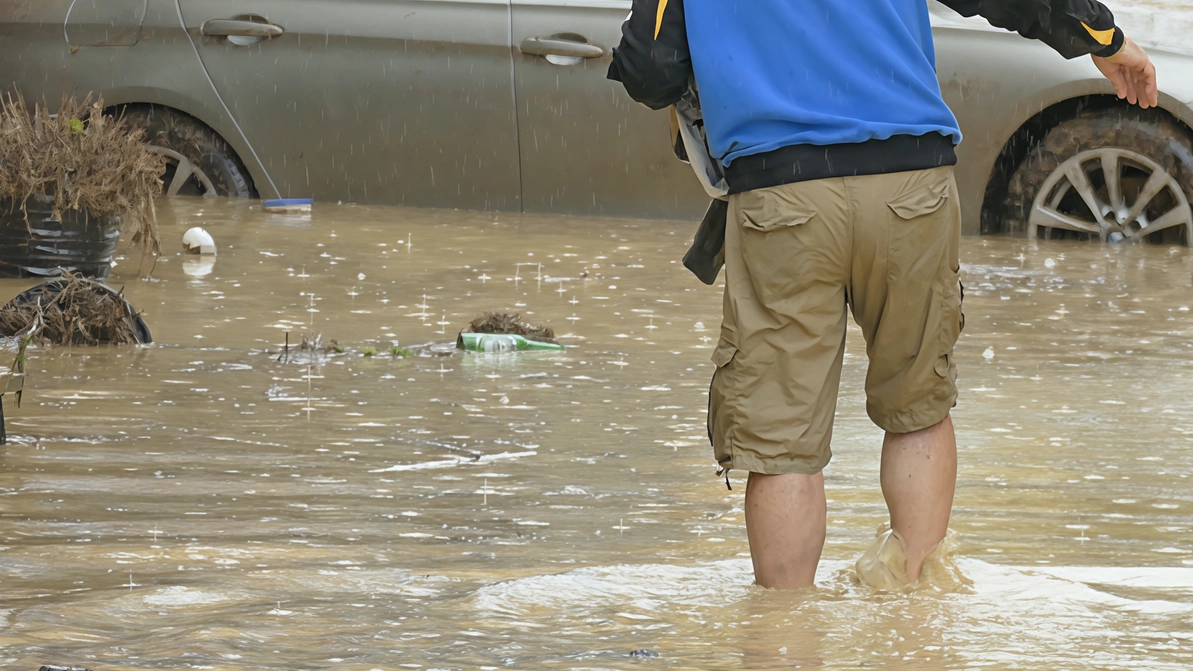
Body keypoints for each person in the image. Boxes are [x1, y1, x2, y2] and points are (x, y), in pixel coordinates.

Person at [611, 0, 1158, 590]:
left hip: (782, 193)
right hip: (910, 181)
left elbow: (648, 69)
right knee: (918, 410)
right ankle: (917, 615)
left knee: (782, 446)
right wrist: (1104, 38)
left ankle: (783, 635)